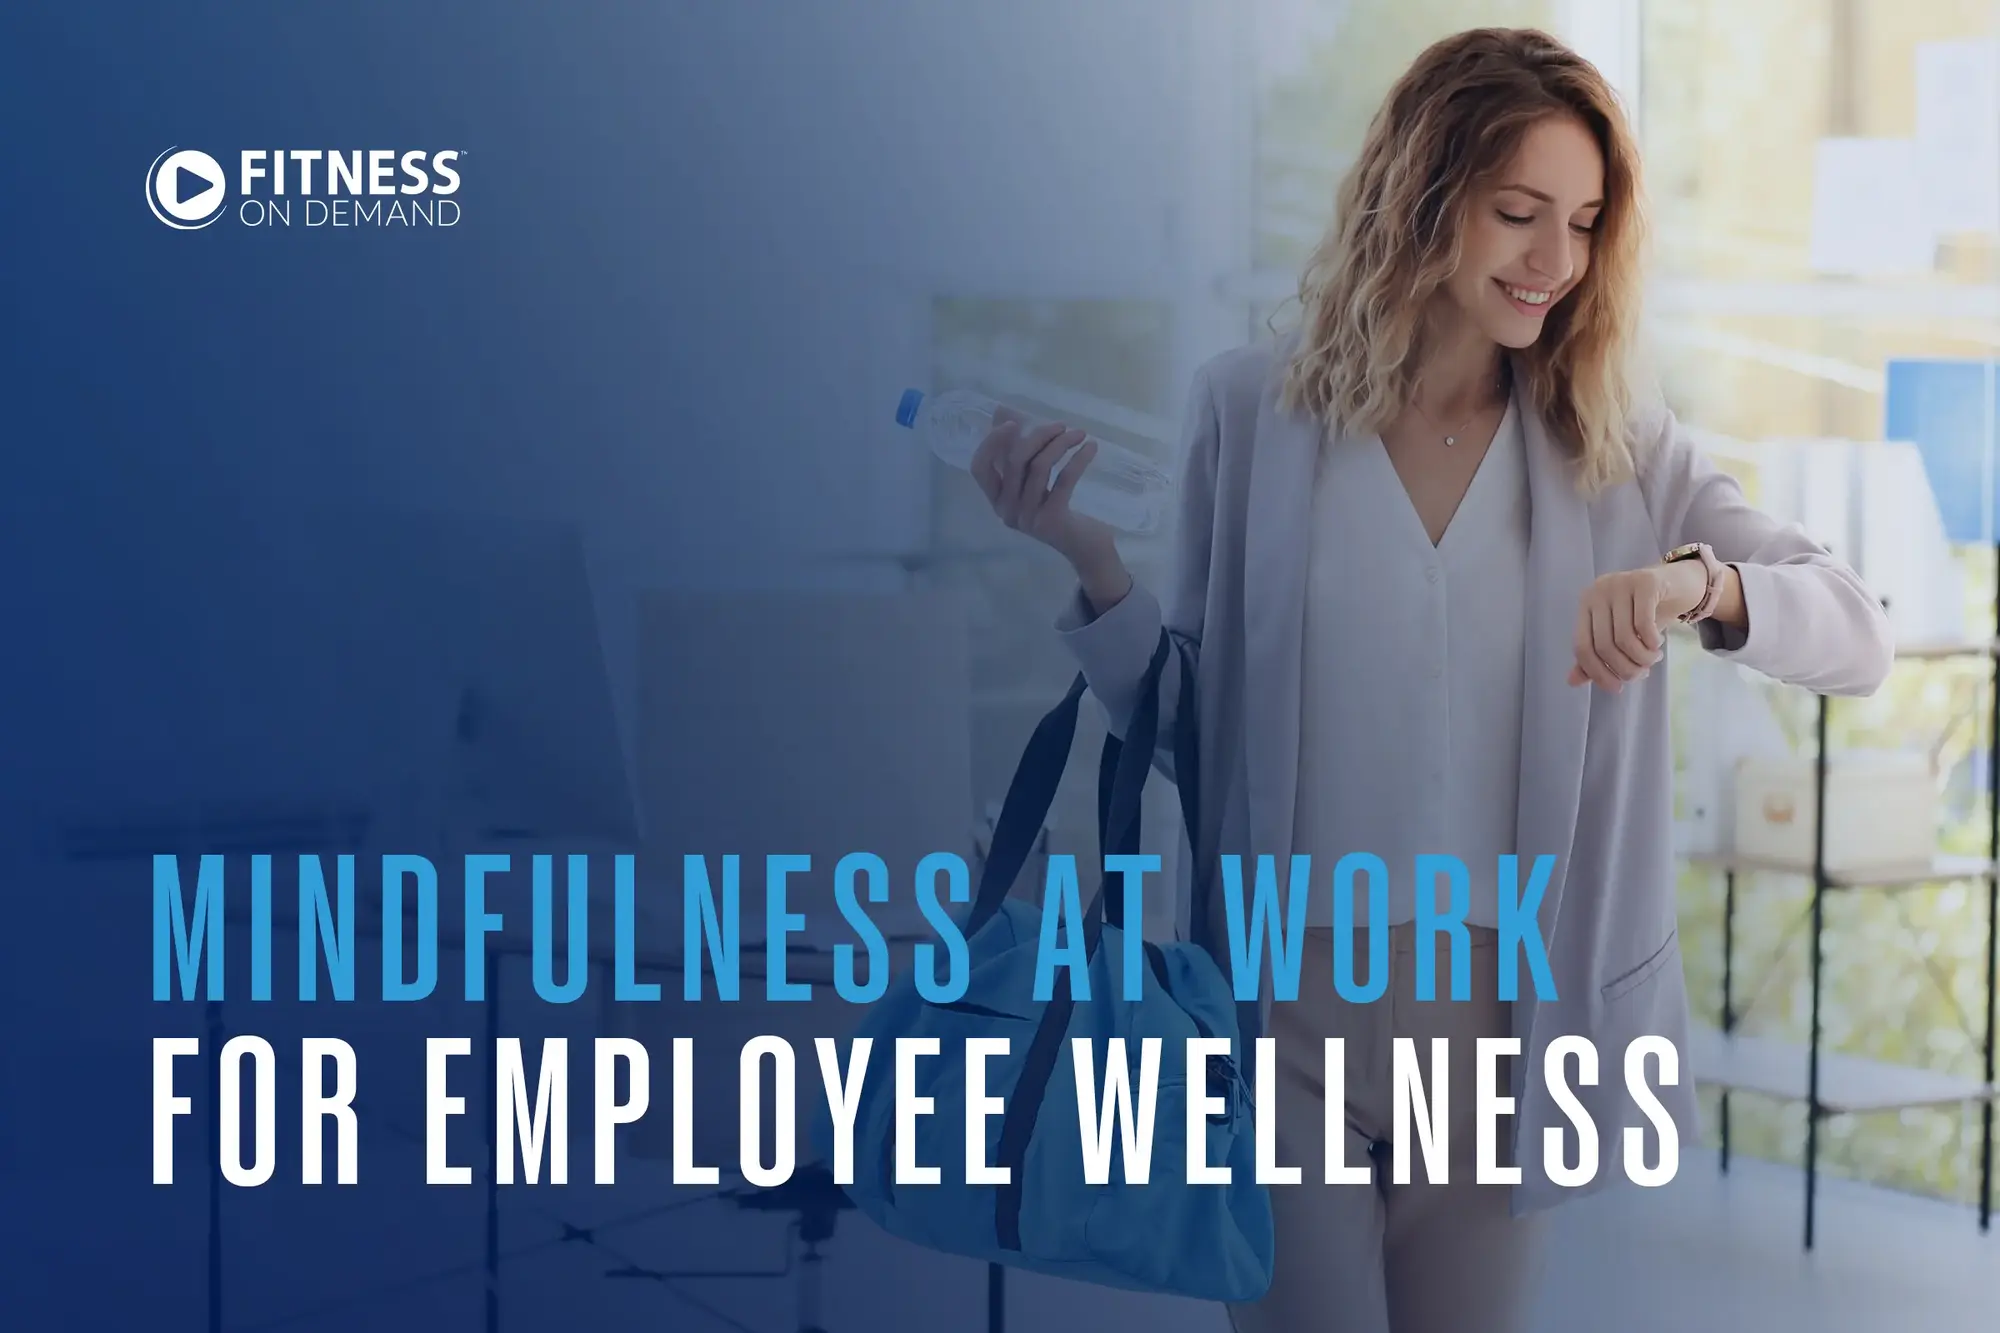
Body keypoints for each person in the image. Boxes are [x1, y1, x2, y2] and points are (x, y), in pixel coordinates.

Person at [968, 25, 1894, 1333]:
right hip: (1283, 1009)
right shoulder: (1250, 415)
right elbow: (1191, 731)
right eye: (1519, 213)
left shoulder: (1621, 453)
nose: (1554, 259)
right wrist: (1090, 561)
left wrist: (1697, 585)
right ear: (1423, 195)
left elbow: (1857, 630)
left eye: (1583, 224)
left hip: (1507, 1030)